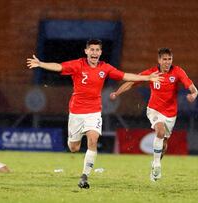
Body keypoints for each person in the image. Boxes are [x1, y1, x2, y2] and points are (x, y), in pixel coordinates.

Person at [26, 39, 163, 189]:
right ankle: (74, 142)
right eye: (92, 50)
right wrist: (41, 64)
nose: (94, 53)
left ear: (100, 53)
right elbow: (59, 66)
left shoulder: (105, 68)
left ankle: (84, 176)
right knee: (74, 148)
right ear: (86, 51)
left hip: (94, 111)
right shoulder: (78, 64)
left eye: (97, 50)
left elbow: (125, 76)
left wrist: (147, 78)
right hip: (76, 112)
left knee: (93, 139)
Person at [110, 48, 197, 181]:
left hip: (171, 113)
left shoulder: (178, 71)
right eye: (164, 59)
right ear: (159, 60)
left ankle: (156, 162)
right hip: (154, 109)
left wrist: (193, 94)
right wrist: (117, 93)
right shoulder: (151, 73)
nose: (167, 62)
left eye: (169, 59)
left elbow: (192, 87)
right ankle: (156, 164)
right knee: (160, 131)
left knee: (164, 142)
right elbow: (132, 82)